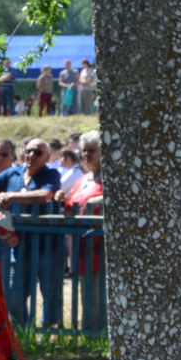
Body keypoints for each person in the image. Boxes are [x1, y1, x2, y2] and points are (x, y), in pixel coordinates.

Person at [0, 137, 61, 324]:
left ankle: (47, 331)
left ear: (47, 157)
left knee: (49, 292)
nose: (32, 155)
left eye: (38, 152)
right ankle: (20, 330)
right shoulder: (13, 173)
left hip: (47, 246)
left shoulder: (51, 175)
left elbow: (44, 195)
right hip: (19, 245)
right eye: (29, 151)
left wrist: (12, 196)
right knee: (16, 292)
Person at [63, 130, 105, 331]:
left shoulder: (109, 178)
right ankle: (89, 330)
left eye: (92, 150)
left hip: (101, 246)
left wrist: (98, 200)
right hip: (81, 246)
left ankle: (101, 331)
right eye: (84, 151)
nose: (86, 155)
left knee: (100, 290)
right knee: (85, 290)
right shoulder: (81, 180)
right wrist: (63, 203)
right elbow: (71, 209)